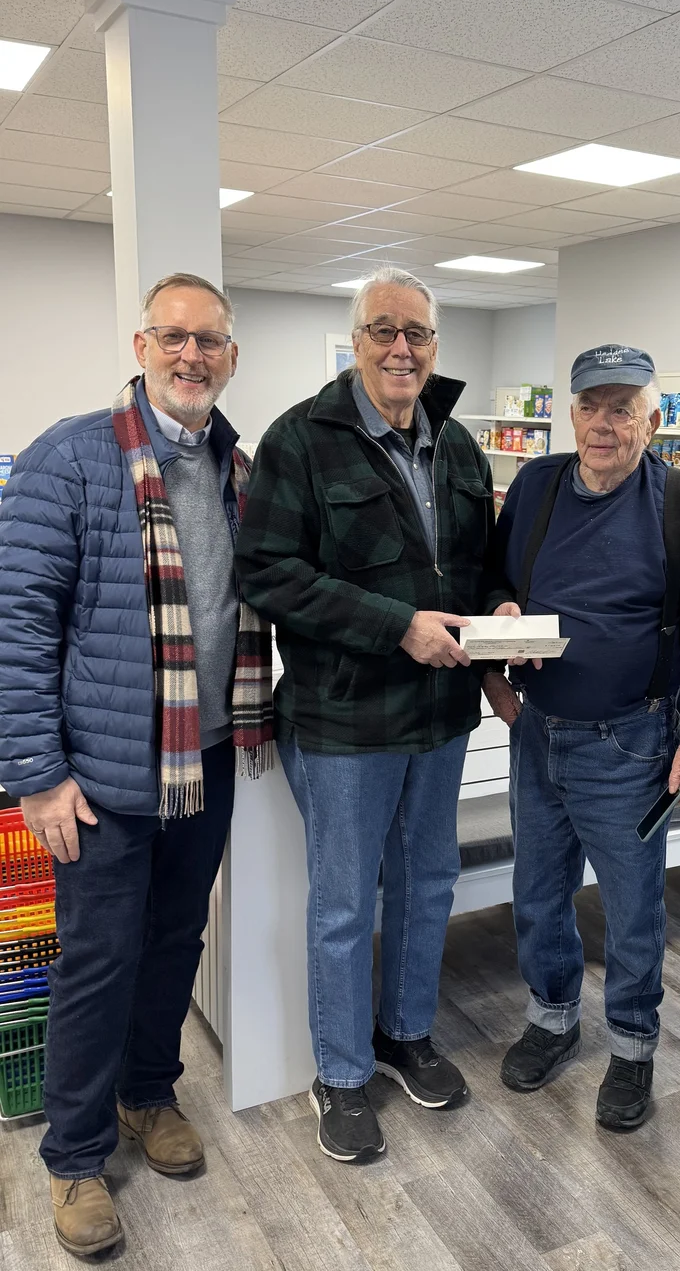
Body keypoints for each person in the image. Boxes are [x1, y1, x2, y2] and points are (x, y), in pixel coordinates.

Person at [0, 273, 272, 1257]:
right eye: (173, 336)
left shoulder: (240, 469)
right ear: (142, 345)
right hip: (104, 777)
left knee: (173, 943)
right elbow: (17, 624)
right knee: (97, 961)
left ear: (231, 357)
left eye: (210, 341)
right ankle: (75, 1155)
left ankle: (148, 1092)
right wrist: (38, 772)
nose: (191, 355)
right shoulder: (70, 457)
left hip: (206, 760)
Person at [234, 266, 509, 1164]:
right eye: (383, 330)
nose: (401, 347)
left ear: (434, 346)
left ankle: (405, 1033)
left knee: (429, 883)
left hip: (441, 718)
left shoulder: (458, 447)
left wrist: (500, 609)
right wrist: (397, 626)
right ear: (356, 342)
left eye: (417, 333)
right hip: (344, 724)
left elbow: (480, 568)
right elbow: (269, 573)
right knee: (347, 902)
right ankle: (342, 1073)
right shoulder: (300, 440)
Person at [483, 345, 680, 1131]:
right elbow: (493, 581)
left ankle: (631, 1045)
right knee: (538, 891)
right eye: (591, 406)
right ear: (571, 414)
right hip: (536, 731)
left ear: (652, 421)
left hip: (632, 741)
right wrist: (499, 629)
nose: (604, 423)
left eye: (622, 408)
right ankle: (553, 1017)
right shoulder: (536, 486)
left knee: (632, 907)